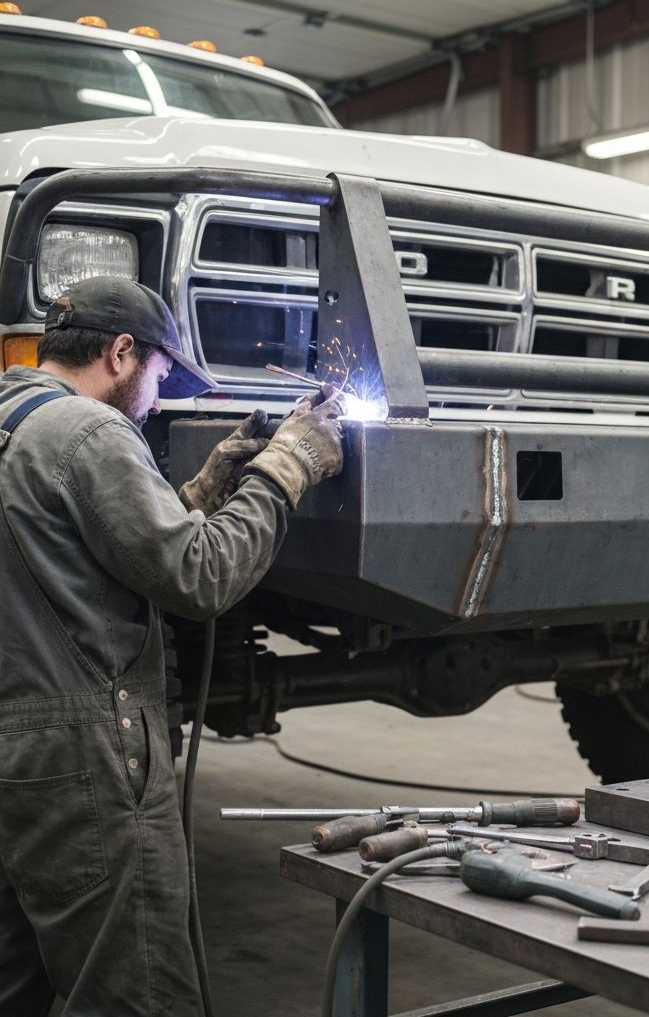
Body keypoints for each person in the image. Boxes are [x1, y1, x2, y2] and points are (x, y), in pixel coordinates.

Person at [0, 276, 344, 1015]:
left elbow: (76, 551)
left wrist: (208, 485)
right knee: (141, 992)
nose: (157, 399)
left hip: (13, 752)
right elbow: (200, 575)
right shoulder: (90, 432)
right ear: (122, 353)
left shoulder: (12, 419)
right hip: (82, 760)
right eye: (158, 376)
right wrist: (286, 470)